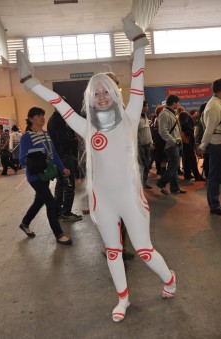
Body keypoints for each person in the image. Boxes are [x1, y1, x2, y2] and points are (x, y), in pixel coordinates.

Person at [16, 13, 176, 322]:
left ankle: (169, 278)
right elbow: (59, 103)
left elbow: (139, 81)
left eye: (106, 91)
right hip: (103, 202)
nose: (102, 97)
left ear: (114, 93)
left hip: (131, 198)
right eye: (96, 92)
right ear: (91, 97)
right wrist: (30, 81)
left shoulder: (130, 116)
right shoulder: (86, 126)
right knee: (113, 252)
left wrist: (139, 44)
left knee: (143, 251)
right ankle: (123, 298)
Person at [19, 107, 72, 245]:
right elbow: (21, 159)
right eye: (38, 116)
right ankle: (58, 234)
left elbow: (53, 154)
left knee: (39, 201)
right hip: (35, 176)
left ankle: (25, 223)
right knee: (50, 202)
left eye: (43, 115)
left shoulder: (46, 134)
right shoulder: (26, 136)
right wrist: (37, 158)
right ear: (31, 119)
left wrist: (63, 168)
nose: (42, 118)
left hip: (46, 174)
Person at [47, 107, 82, 222]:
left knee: (61, 183)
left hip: (57, 157)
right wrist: (76, 140)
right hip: (64, 157)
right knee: (69, 184)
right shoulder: (60, 120)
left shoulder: (52, 119)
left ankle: (57, 210)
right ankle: (66, 212)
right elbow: (63, 140)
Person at [198, 79, 221, 215]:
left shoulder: (217, 104)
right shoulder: (213, 106)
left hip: (218, 144)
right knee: (214, 176)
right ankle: (214, 206)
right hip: (215, 144)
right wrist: (202, 146)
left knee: (216, 175)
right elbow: (209, 129)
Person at [156, 95, 187, 195]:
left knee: (173, 166)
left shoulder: (170, 113)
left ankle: (174, 188)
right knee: (174, 166)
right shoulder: (164, 114)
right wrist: (173, 141)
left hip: (175, 143)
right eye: (177, 102)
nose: (178, 105)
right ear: (173, 102)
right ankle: (161, 183)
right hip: (171, 144)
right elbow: (163, 131)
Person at [178, 111, 205, 181]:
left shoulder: (180, 124)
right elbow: (188, 132)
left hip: (184, 144)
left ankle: (187, 174)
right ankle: (197, 176)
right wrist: (192, 130)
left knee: (186, 160)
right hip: (188, 144)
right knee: (192, 160)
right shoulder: (185, 124)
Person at [138, 100, 153, 188]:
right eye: (145, 106)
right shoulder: (137, 119)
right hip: (141, 146)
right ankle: (141, 182)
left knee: (147, 164)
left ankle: (144, 181)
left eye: (147, 106)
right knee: (144, 164)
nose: (147, 108)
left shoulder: (146, 117)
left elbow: (148, 131)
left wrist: (151, 142)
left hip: (147, 144)